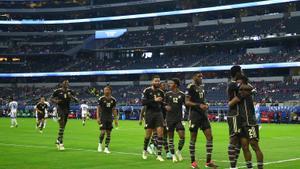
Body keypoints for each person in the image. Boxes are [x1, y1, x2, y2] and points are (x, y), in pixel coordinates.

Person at [231, 75, 264, 169]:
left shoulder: (247, 88)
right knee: (245, 147)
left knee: (254, 146)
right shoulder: (240, 90)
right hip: (241, 123)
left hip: (250, 122)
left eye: (238, 80)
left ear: (243, 80)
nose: (237, 82)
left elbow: (248, 89)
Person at [186, 73, 217, 168]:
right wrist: (199, 105)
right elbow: (187, 102)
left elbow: (202, 100)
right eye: (199, 76)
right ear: (194, 77)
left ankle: (208, 162)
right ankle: (193, 162)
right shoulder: (190, 87)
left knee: (210, 137)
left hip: (203, 115)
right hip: (194, 115)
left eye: (202, 76)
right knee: (193, 139)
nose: (201, 78)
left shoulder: (202, 87)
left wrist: (205, 104)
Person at [141, 75, 165, 161]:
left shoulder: (161, 92)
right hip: (149, 114)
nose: (157, 82)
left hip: (159, 114)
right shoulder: (147, 91)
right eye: (156, 81)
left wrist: (166, 106)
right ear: (152, 82)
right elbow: (143, 102)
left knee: (160, 134)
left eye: (158, 81)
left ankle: (159, 154)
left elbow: (162, 104)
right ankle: (144, 150)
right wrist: (154, 100)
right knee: (148, 134)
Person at [51, 80, 79, 151]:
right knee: (61, 125)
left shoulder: (70, 91)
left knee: (63, 126)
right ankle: (61, 143)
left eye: (67, 83)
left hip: (67, 110)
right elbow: (51, 99)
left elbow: (77, 100)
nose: (66, 84)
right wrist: (56, 101)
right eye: (65, 83)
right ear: (62, 84)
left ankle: (58, 140)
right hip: (60, 109)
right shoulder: (57, 91)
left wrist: (72, 97)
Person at [165, 78, 186, 162]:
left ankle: (178, 151)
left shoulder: (182, 94)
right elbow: (162, 104)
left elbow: (187, 105)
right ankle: (173, 155)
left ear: (176, 85)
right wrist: (165, 106)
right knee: (171, 138)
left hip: (178, 119)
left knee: (182, 136)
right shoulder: (167, 94)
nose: (169, 84)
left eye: (171, 83)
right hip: (169, 119)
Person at [97, 85, 118, 154]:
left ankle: (106, 147)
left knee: (108, 133)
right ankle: (100, 145)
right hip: (103, 117)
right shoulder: (101, 99)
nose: (105, 91)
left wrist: (116, 120)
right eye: (104, 90)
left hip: (109, 118)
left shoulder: (113, 100)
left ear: (110, 91)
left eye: (106, 90)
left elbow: (114, 110)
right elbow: (98, 108)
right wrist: (98, 117)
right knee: (103, 132)